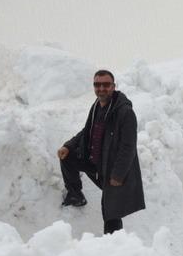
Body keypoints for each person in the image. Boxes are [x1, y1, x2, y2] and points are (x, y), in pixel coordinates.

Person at [57, 70, 145, 234]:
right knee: (67, 158)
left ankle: (113, 245)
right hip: (95, 164)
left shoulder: (124, 112)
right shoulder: (97, 106)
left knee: (111, 211)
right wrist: (68, 146)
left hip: (111, 169)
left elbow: (129, 147)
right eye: (97, 85)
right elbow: (87, 131)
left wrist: (118, 175)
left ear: (113, 86)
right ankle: (76, 196)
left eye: (106, 85)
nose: (101, 88)